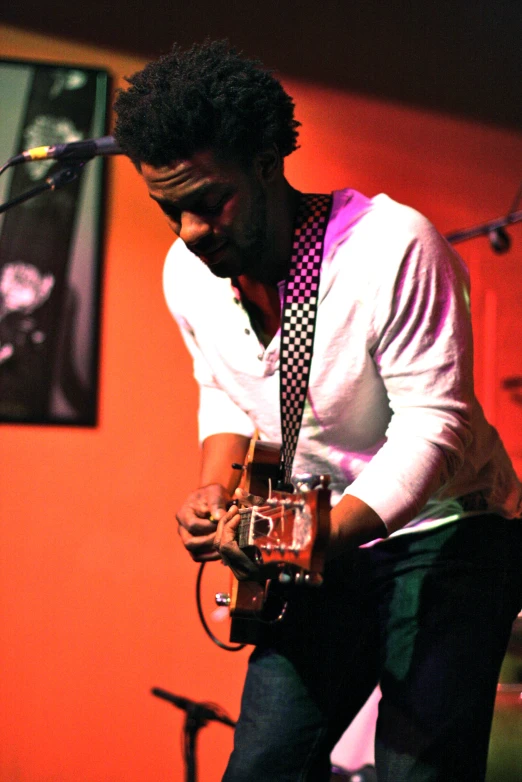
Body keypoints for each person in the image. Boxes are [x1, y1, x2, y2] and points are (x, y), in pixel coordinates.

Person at [113, 40, 522, 781]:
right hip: (319, 540)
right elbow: (226, 386)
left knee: (418, 772)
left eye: (208, 203)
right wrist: (217, 486)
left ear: (267, 161)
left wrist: (318, 539)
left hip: (448, 530)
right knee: (264, 766)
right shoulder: (190, 272)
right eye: (169, 210)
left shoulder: (391, 249)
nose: (189, 234)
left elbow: (437, 424)